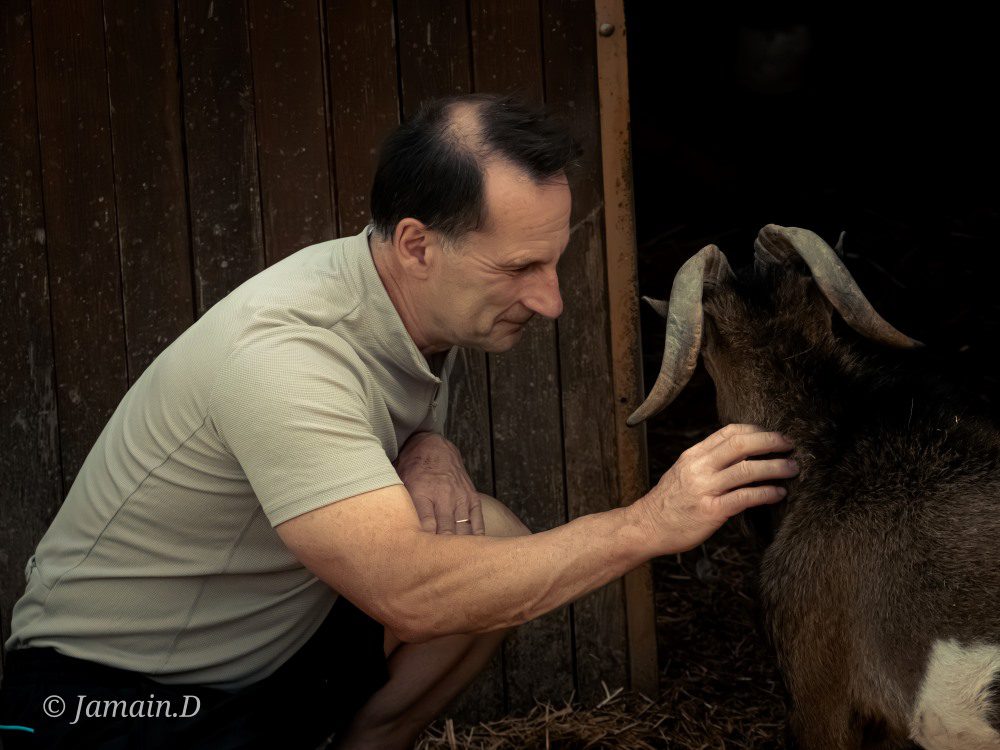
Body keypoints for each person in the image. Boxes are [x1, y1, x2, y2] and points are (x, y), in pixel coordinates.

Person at [0, 93, 798, 749]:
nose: (550, 300)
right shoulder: (285, 352)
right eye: (520, 268)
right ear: (417, 244)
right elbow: (406, 595)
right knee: (443, 574)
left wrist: (423, 440)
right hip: (104, 703)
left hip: (261, 667)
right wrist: (647, 523)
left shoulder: (406, 304)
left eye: (553, 261)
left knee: (483, 531)